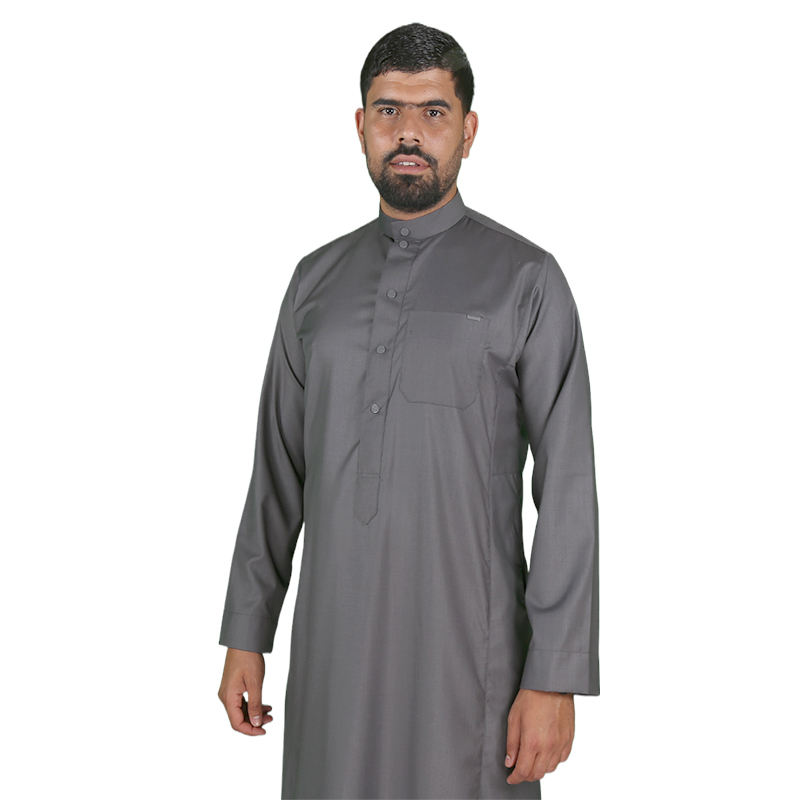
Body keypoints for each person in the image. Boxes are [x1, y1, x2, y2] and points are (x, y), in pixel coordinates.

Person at [217, 21, 600, 800]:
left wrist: (554, 675)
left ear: (469, 130)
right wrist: (247, 634)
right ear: (361, 125)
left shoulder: (527, 280)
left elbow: (567, 489)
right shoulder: (315, 283)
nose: (409, 134)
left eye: (433, 112)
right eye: (389, 111)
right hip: (332, 657)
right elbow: (278, 474)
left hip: (472, 665)